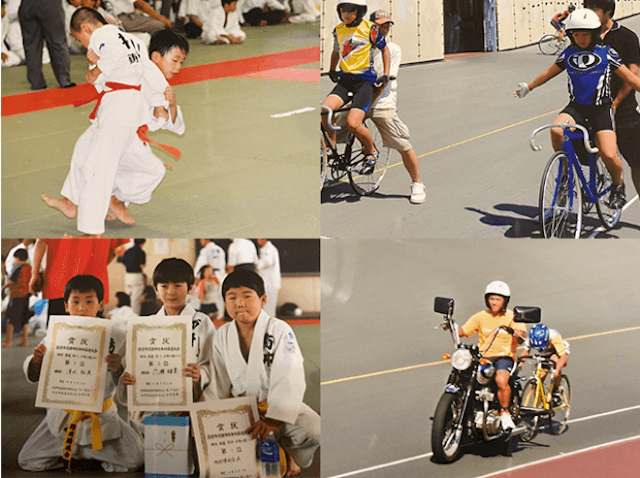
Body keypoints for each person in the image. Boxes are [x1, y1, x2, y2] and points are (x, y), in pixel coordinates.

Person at [40, 8, 155, 236]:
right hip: (127, 107)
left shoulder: (101, 37)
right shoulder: (135, 40)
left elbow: (100, 72)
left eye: (78, 37)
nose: (81, 43)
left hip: (118, 110)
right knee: (84, 148)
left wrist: (94, 70)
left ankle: (92, 229)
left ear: (86, 28)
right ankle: (71, 202)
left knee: (98, 169)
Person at [515, 8, 640, 210]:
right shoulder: (568, 54)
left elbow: (631, 78)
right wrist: (529, 87)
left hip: (602, 109)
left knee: (609, 155)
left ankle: (618, 185)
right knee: (556, 129)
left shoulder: (607, 53)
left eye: (585, 34)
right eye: (576, 35)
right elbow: (549, 73)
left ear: (595, 33)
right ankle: (565, 175)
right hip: (577, 108)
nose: (581, 39)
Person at [17, 274, 144, 472]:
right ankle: (84, 453)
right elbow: (34, 375)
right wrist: (36, 361)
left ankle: (89, 452)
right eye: (75, 302)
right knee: (27, 460)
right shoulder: (56, 334)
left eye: (89, 301)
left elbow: (126, 382)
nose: (82, 308)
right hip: (64, 415)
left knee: (135, 459)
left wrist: (117, 367)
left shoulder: (117, 336)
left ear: (100, 305)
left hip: (100, 415)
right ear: (66, 306)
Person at [203, 270, 320, 477]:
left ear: (263, 299)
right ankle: (272, 455)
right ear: (224, 301)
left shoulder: (279, 330)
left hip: (277, 411)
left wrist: (274, 420)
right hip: (241, 412)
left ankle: (289, 452)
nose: (239, 303)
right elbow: (217, 382)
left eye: (247, 296)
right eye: (232, 297)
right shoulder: (221, 336)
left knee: (314, 428)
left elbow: (290, 375)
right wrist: (209, 416)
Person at [121, 258, 216, 435]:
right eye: (164, 286)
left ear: (190, 288)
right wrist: (130, 382)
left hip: (190, 404)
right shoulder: (146, 326)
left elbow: (213, 364)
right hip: (152, 406)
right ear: (156, 290)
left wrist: (200, 374)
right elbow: (137, 366)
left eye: (178, 285)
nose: (171, 292)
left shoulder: (202, 323)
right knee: (152, 454)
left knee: (183, 457)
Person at [444, 281, 526, 430]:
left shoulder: (512, 317)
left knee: (501, 380)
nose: (494, 303)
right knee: (464, 374)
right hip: (484, 357)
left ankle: (505, 414)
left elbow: (522, 335)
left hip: (504, 357)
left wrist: (515, 332)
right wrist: (451, 326)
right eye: (492, 299)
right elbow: (464, 331)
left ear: (505, 301)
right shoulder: (481, 316)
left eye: (498, 299)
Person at [323, 0, 389, 176]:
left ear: (359, 12)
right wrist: (331, 68)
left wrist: (386, 74)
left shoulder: (370, 29)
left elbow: (385, 50)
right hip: (345, 81)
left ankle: (371, 152)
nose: (346, 13)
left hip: (364, 83)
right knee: (325, 110)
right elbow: (337, 51)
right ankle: (332, 148)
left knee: (353, 123)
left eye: (351, 10)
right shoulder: (338, 30)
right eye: (343, 10)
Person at [368, 10, 426, 204]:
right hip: (360, 99)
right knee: (331, 120)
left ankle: (417, 183)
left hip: (382, 102)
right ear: (371, 26)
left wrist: (368, 101)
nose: (384, 28)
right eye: (380, 25)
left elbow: (385, 80)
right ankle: (325, 169)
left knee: (402, 144)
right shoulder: (363, 46)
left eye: (387, 25)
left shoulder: (392, 49)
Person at [585, 0, 640, 199]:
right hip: (592, 108)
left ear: (608, 11)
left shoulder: (627, 37)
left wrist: (615, 104)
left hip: (623, 110)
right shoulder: (583, 35)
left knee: (636, 161)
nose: (588, 12)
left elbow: (633, 76)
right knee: (570, 147)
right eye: (586, 7)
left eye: (594, 8)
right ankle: (562, 202)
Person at [28, 238, 128, 324]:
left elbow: (41, 241)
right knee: (91, 339)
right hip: (93, 286)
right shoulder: (108, 217)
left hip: (60, 283)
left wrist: (35, 273)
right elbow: (115, 250)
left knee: (58, 338)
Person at [17, 0, 75, 90]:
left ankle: (36, 82)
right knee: (57, 42)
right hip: (49, 4)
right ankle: (64, 80)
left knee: (31, 46)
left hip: (27, 5)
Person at [520, 323, 570, 406]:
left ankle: (557, 389)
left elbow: (564, 357)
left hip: (556, 351)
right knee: (539, 377)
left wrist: (557, 371)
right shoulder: (531, 338)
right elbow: (525, 352)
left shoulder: (554, 337)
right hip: (544, 353)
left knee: (554, 363)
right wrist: (520, 364)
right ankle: (539, 405)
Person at [2, 248, 32, 348]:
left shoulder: (18, 268)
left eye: (15, 258)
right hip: (26, 295)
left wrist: (3, 287)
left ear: (18, 258)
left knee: (11, 319)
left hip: (16, 295)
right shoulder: (29, 268)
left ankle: (8, 341)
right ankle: (25, 340)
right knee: (24, 319)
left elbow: (11, 282)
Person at [104, 0, 171, 33]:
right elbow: (141, 4)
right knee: (162, 25)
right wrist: (161, 18)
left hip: (117, 17)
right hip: (126, 19)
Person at [117, 239, 146, 315]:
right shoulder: (141, 252)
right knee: (135, 300)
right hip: (136, 276)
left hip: (128, 276)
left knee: (127, 297)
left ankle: (125, 316)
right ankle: (134, 319)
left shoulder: (127, 251)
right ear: (142, 243)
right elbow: (142, 265)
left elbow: (123, 264)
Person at [257, 239, 280, 317]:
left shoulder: (269, 249)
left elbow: (268, 262)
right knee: (266, 308)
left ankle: (271, 327)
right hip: (266, 282)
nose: (257, 240)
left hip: (270, 283)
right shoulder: (264, 249)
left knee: (269, 308)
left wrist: (256, 266)